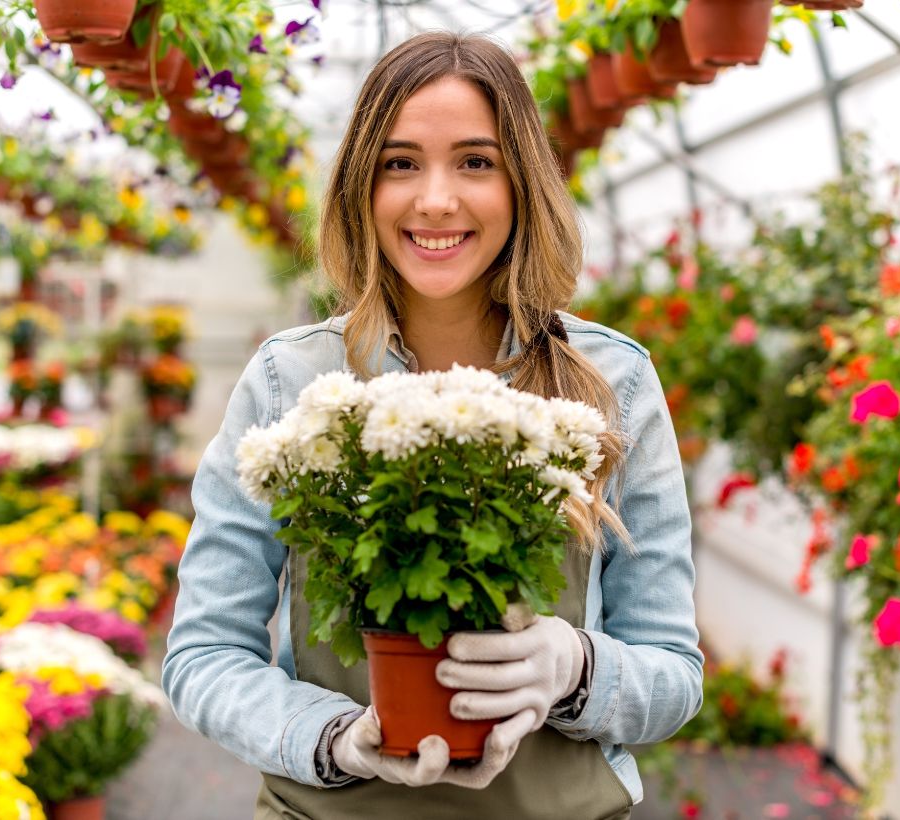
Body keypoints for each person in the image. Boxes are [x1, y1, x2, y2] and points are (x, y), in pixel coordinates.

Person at [163, 31, 703, 820]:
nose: (436, 199)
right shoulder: (294, 379)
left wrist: (575, 668)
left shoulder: (611, 380)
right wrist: (336, 738)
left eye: (476, 162)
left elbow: (673, 671)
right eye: (401, 162)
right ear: (361, 186)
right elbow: (203, 656)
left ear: (522, 184)